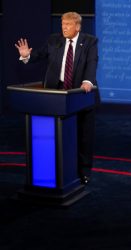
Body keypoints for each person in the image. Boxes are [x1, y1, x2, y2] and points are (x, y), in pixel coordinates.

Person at [15, 12, 98, 184]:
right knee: (58, 134)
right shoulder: (54, 40)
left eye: (68, 24)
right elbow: (38, 55)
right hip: (57, 96)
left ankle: (84, 171)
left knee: (84, 135)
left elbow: (92, 62)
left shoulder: (89, 41)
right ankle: (60, 167)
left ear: (78, 26)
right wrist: (26, 56)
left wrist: (88, 80)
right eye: (62, 24)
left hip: (81, 94)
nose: (64, 28)